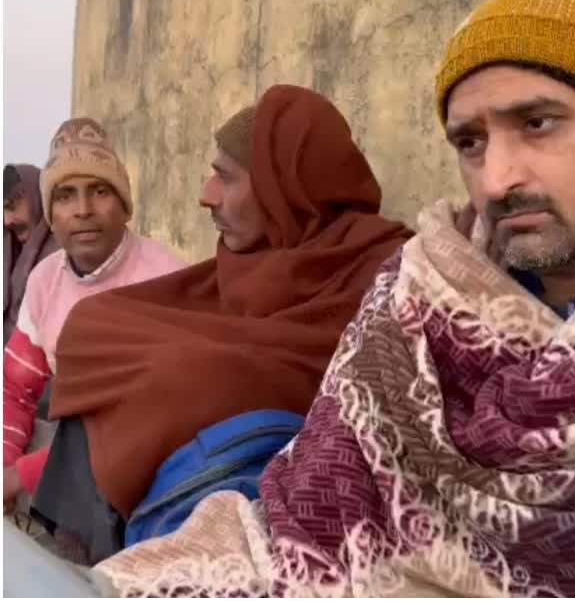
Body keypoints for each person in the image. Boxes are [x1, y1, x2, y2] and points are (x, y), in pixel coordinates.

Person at [89, 0, 575, 598]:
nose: (496, 179)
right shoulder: (416, 292)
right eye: (469, 142)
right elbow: (312, 502)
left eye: (538, 123)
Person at [30, 85, 414, 565]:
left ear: (285, 189)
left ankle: (97, 554)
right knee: (99, 326)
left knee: (180, 373)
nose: (206, 196)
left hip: (260, 474)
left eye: (226, 178)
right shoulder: (249, 257)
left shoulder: (382, 269)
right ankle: (80, 548)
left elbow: (328, 383)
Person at [3, 119, 186, 514]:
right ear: (50, 211)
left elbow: (147, 422)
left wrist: (22, 476)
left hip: (146, 476)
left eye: (100, 191)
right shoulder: (45, 279)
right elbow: (16, 389)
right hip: (65, 458)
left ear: (123, 202)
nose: (83, 210)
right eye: (66, 195)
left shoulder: (164, 280)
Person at [4, 164, 60, 343]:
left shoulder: (64, 254)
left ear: (37, 198)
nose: (7, 220)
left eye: (11, 206)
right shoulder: (9, 251)